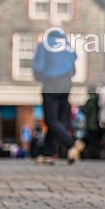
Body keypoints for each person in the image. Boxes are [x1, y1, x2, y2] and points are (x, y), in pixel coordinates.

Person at [31, 26, 84, 164]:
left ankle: (72, 143)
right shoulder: (66, 45)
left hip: (51, 83)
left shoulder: (44, 45)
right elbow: (73, 68)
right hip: (66, 83)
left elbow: (38, 68)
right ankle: (47, 152)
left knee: (51, 120)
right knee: (60, 120)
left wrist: (43, 79)